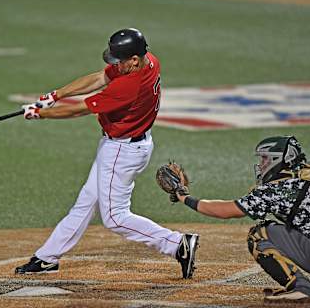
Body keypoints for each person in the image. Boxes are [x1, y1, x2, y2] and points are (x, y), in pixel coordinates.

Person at [15, 28, 198, 279]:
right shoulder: (148, 60)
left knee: (114, 217)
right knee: (86, 202)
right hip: (125, 144)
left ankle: (177, 244)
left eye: (119, 61)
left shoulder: (128, 86)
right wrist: (55, 96)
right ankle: (47, 257)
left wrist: (38, 113)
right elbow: (100, 77)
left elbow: (79, 110)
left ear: (134, 60)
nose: (115, 65)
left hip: (122, 151)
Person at [171, 135, 310, 302]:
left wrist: (184, 197)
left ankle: (301, 289)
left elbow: (227, 210)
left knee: (259, 235)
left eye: (265, 159)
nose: (261, 165)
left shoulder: (277, 189)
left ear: (279, 159)